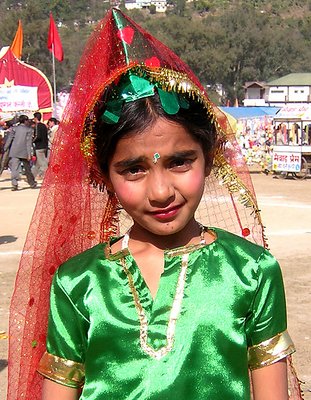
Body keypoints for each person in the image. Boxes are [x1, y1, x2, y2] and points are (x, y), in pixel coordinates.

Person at [7, 8, 302, 400]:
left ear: (209, 157)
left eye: (180, 162)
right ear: (103, 177)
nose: (161, 191)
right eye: (133, 169)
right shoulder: (78, 282)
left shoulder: (251, 271)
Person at [3, 114, 37, 190]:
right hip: (24, 151)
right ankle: (31, 183)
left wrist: (5, 147)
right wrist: (29, 154)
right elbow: (28, 143)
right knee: (27, 168)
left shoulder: (14, 129)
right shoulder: (29, 130)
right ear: (25, 121)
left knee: (14, 168)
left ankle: (14, 184)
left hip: (14, 150)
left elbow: (9, 139)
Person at [32, 111, 48, 179]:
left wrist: (32, 141)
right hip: (44, 145)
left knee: (42, 163)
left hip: (39, 146)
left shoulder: (37, 126)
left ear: (35, 118)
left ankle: (46, 176)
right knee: (37, 163)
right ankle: (32, 176)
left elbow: (37, 136)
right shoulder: (44, 125)